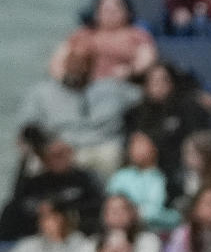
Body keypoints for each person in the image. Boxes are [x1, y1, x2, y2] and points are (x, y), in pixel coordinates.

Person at [16, 46, 139, 178]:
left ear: (91, 66)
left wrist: (132, 72)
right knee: (35, 164)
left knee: (110, 157)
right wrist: (48, 145)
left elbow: (146, 98)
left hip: (103, 145)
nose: (77, 68)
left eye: (82, 63)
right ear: (65, 64)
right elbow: (27, 128)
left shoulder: (112, 89)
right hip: (60, 146)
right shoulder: (42, 93)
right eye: (73, 62)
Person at [50, 0, 156, 83]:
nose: (111, 13)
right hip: (81, 85)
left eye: (116, 9)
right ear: (96, 13)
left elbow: (147, 59)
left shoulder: (137, 34)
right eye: (106, 9)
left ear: (127, 12)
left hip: (120, 85)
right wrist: (66, 79)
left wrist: (131, 70)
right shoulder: (82, 34)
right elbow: (57, 61)